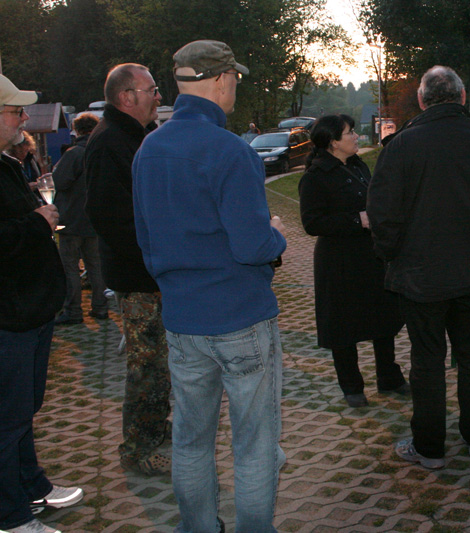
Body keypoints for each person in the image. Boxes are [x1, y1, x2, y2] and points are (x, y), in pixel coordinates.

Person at [132, 40, 287, 533]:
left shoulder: (149, 149)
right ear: (222, 80)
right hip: (240, 316)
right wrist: (277, 235)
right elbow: (251, 245)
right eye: (234, 78)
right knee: (255, 443)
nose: (235, 86)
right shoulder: (230, 150)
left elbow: (145, 239)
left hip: (182, 320)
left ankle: (197, 527)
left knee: (191, 440)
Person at [367, 66, 470, 469]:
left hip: (420, 275)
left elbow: (381, 212)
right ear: (463, 97)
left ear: (422, 100)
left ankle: (431, 448)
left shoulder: (402, 145)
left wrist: (390, 254)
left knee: (428, 360)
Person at [1, 73, 83, 533]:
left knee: (22, 411)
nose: (22, 118)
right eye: (14, 111)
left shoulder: (8, 164)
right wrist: (38, 221)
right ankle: (11, 516)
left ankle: (30, 486)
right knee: (7, 417)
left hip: (29, 309)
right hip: (9, 315)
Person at [84, 63, 171, 476]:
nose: (158, 96)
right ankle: (138, 449)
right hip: (138, 277)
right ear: (126, 97)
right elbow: (110, 218)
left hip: (150, 272)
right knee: (147, 366)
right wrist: (153, 259)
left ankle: (156, 428)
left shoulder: (135, 136)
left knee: (159, 363)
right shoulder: (109, 142)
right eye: (151, 90)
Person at [299, 114, 408, 408]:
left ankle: (389, 377)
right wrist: (356, 220)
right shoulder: (315, 176)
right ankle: (351, 386)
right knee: (343, 326)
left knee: (384, 319)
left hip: (372, 256)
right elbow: (312, 223)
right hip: (339, 262)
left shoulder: (359, 166)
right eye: (350, 133)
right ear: (333, 142)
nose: (356, 136)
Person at [52, 112, 108, 326]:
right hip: (94, 220)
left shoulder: (74, 153)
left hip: (71, 220)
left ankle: (73, 311)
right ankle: (100, 307)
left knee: (70, 268)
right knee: (96, 267)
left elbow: (60, 181)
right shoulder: (101, 152)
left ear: (77, 130)